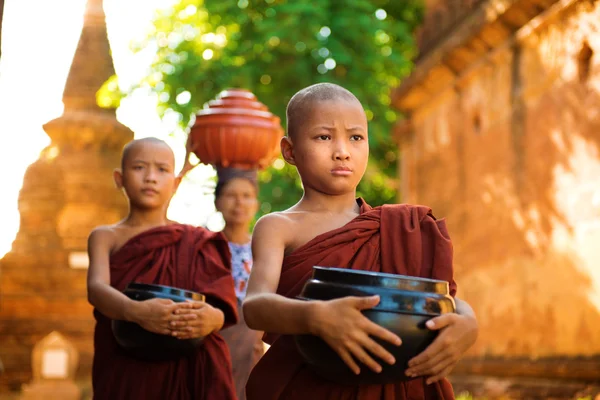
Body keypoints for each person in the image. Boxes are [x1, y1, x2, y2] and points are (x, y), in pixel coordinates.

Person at [243, 83, 479, 400]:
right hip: (313, 387)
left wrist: (467, 320)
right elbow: (255, 306)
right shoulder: (279, 227)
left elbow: (431, 294)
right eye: (323, 137)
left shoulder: (399, 226)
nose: (342, 151)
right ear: (290, 150)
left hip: (399, 384)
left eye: (356, 137)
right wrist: (314, 317)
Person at [86, 137, 238, 400]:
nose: (150, 178)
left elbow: (222, 304)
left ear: (176, 183)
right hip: (126, 366)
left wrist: (213, 318)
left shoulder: (195, 241)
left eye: (162, 169)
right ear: (119, 178)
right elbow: (97, 289)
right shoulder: (106, 236)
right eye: (139, 167)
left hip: (188, 367)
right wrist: (135, 311)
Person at [213, 166, 265, 400]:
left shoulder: (264, 250)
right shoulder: (205, 246)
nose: (239, 203)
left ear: (255, 203)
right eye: (231, 196)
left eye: (246, 196)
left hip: (251, 339)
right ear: (217, 202)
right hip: (215, 335)